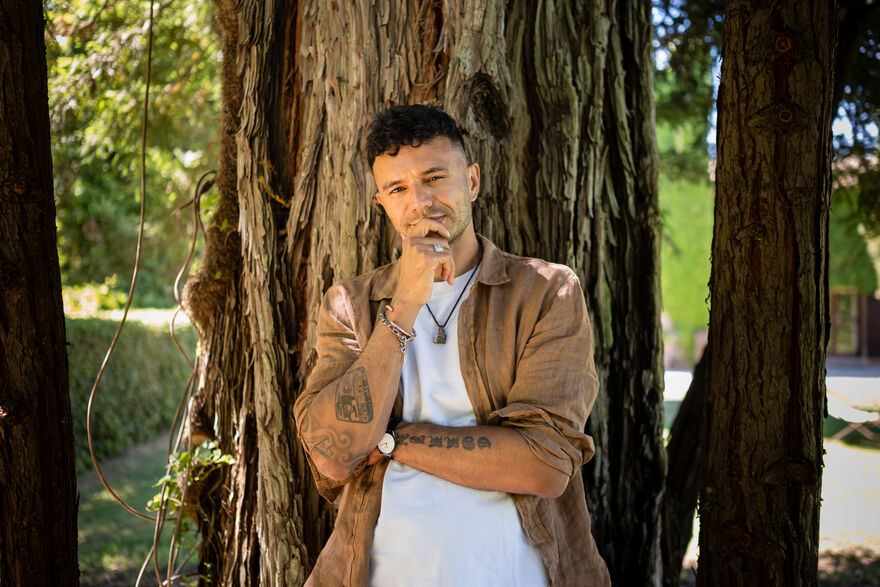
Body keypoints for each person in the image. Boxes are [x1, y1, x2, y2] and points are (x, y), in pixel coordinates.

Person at [293, 104, 610, 586]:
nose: (420, 202)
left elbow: (544, 466)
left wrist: (391, 440)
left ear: (472, 181)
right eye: (398, 189)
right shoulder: (350, 307)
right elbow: (333, 454)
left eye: (435, 178)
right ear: (382, 203)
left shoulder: (544, 292)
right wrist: (404, 306)